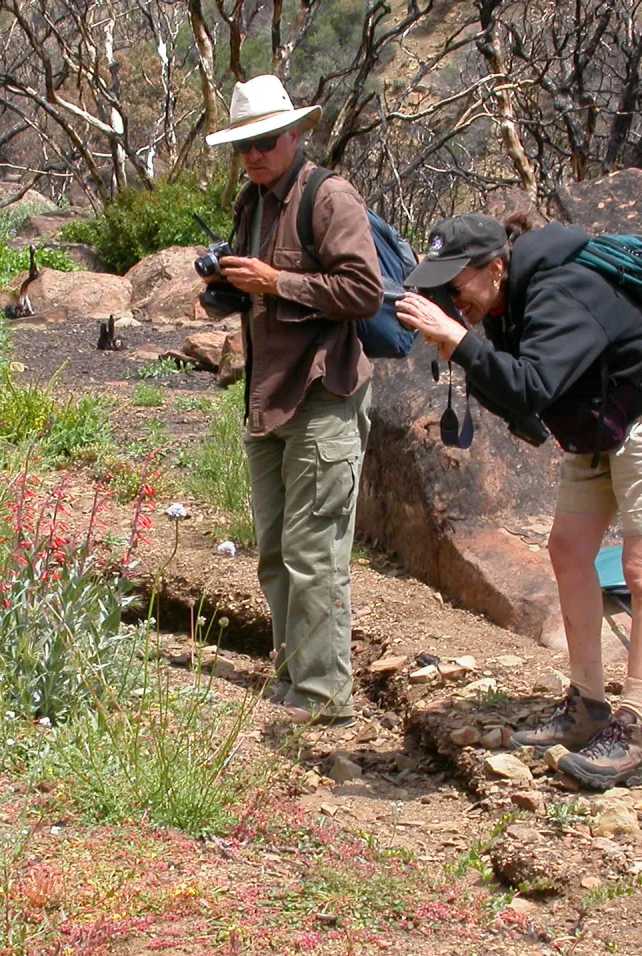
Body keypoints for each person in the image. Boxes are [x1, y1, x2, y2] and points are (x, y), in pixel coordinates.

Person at [395, 214, 642, 788]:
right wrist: (463, 343)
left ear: (496, 266)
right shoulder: (503, 303)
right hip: (595, 426)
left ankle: (633, 728)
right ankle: (587, 707)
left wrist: (461, 342)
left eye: (456, 282)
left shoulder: (560, 291)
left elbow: (532, 386)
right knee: (568, 551)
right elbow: (522, 399)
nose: (450, 296)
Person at [203, 75, 384, 726]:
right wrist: (227, 287)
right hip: (267, 393)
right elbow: (254, 292)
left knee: (315, 554)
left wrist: (277, 282)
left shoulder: (328, 196)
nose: (254, 155)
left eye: (266, 141)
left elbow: (365, 291)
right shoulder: (252, 205)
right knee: (276, 551)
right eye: (243, 146)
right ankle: (294, 675)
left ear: (296, 135)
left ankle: (323, 699)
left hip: (321, 392)